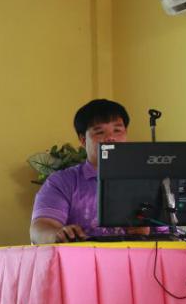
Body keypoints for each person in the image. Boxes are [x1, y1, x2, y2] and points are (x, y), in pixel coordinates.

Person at [30, 98, 150, 244]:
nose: (110, 138)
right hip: (79, 258)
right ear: (83, 139)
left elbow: (170, 231)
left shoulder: (146, 180)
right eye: (100, 132)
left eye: (117, 130)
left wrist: (145, 232)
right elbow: (40, 228)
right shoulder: (62, 182)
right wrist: (58, 234)